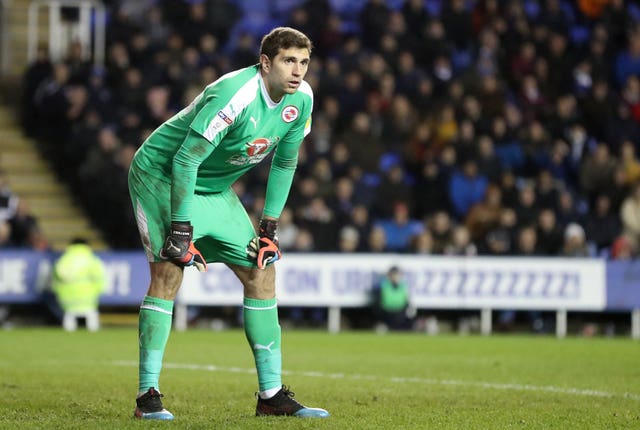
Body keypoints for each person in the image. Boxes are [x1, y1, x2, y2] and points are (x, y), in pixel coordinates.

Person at [127, 27, 328, 420]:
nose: (298, 71)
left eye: (304, 62)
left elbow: (285, 161)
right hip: (163, 176)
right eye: (289, 61)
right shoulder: (234, 95)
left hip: (214, 186)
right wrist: (181, 230)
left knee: (261, 269)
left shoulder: (301, 100)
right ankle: (147, 397)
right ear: (266, 63)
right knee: (168, 274)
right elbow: (185, 160)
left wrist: (268, 226)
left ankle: (271, 397)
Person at [51, 238, 106, 332]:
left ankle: (67, 335)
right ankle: (94, 334)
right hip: (88, 298)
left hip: (67, 299)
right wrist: (97, 291)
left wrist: (59, 291)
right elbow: (100, 277)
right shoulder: (91, 259)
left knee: (69, 316)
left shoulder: (64, 259)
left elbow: (57, 277)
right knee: (91, 315)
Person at [371, 266, 415, 332]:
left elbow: (407, 301)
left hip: (400, 312)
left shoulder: (403, 286)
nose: (396, 277)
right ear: (389, 275)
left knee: (410, 314)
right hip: (387, 312)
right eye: (394, 274)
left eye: (398, 274)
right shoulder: (383, 285)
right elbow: (379, 302)